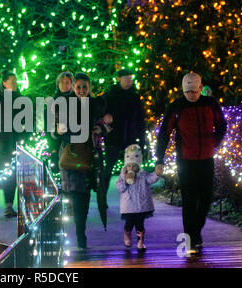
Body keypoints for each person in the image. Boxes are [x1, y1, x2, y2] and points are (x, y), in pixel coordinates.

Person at [155, 72, 227, 255]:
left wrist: (214, 143)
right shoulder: (177, 106)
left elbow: (222, 125)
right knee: (189, 199)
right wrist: (160, 159)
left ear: (200, 89)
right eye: (187, 92)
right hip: (185, 159)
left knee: (205, 197)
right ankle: (190, 237)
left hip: (206, 158)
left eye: (194, 92)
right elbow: (164, 133)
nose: (191, 95)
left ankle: (196, 231)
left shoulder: (210, 104)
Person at [54, 73, 105, 249]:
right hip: (72, 154)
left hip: (90, 155)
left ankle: (80, 231)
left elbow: (106, 123)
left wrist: (101, 128)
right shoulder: (65, 104)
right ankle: (80, 234)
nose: (82, 90)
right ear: (74, 87)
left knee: (85, 195)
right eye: (79, 87)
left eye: (85, 87)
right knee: (77, 194)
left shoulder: (96, 105)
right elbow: (54, 128)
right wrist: (59, 130)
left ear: (89, 87)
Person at [102, 69, 146, 208]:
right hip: (114, 138)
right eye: (126, 78)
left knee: (132, 170)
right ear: (119, 79)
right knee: (108, 169)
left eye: (130, 78)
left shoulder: (135, 97)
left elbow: (140, 120)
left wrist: (141, 140)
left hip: (131, 139)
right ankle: (102, 198)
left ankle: (132, 199)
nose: (128, 81)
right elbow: (101, 112)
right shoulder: (110, 96)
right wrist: (105, 120)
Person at [0, 70, 25, 218]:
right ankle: (8, 205)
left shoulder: (20, 98)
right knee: (8, 173)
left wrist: (24, 133)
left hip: (17, 141)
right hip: (3, 143)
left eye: (16, 81)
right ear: (4, 82)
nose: (15, 84)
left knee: (15, 173)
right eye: (12, 81)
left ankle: (11, 205)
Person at [116, 144, 161, 252]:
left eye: (134, 166)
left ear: (138, 166)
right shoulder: (122, 176)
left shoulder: (143, 174)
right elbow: (120, 187)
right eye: (129, 166)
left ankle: (140, 241)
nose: (131, 168)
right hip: (129, 205)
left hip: (141, 204)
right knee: (129, 224)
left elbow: (151, 179)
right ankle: (127, 235)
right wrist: (126, 182)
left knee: (140, 224)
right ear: (126, 167)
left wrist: (157, 174)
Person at [48, 72, 74, 173]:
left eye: (67, 82)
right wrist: (56, 132)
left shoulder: (77, 99)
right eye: (62, 82)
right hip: (59, 142)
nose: (64, 85)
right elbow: (49, 125)